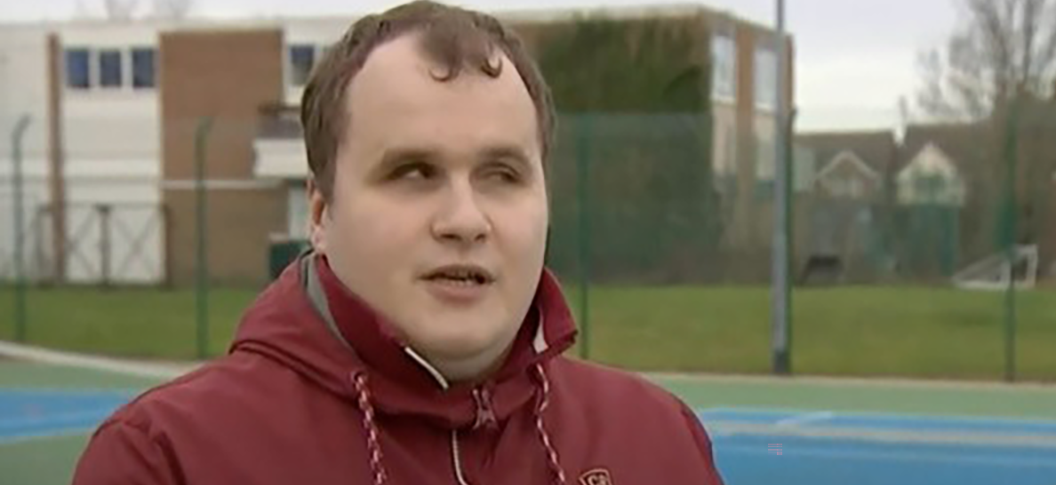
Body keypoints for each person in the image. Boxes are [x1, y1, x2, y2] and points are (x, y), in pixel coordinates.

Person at [71, 2, 725, 484]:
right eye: (413, 173)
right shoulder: (167, 459)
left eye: (502, 175)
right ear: (320, 211)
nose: (465, 219)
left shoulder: (658, 440)